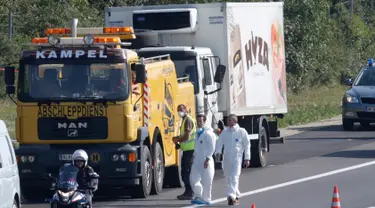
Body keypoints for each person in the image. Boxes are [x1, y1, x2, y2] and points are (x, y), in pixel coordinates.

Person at [215, 114, 250, 206]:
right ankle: (235, 193)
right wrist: (218, 152)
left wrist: (247, 158)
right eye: (228, 120)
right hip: (226, 159)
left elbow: (247, 145)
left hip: (237, 159)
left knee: (234, 177)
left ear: (235, 121)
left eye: (230, 120)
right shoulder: (225, 132)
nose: (228, 122)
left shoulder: (242, 131)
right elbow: (219, 142)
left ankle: (231, 196)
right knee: (228, 177)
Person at [190, 114, 216, 205]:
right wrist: (193, 156)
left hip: (206, 161)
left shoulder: (209, 134)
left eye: (200, 121)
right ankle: (198, 195)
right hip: (197, 160)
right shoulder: (197, 133)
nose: (199, 123)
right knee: (193, 178)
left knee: (207, 181)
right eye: (197, 121)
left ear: (205, 121)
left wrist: (208, 158)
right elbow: (196, 147)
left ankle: (207, 199)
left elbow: (212, 147)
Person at [173, 104, 196, 200]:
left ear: (186, 110)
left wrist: (177, 140)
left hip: (190, 150)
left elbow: (187, 136)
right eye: (178, 110)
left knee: (187, 172)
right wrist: (178, 139)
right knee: (184, 172)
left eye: (181, 110)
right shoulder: (184, 120)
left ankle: (190, 192)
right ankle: (187, 191)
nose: (180, 112)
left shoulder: (188, 120)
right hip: (186, 149)